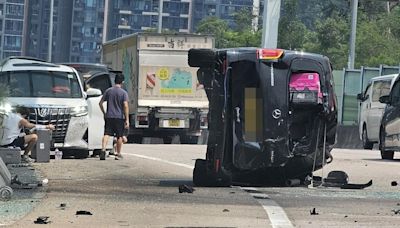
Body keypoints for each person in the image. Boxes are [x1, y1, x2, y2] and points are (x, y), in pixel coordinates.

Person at [99, 73, 129, 160]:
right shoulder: (123, 93)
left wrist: (104, 113)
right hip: (119, 117)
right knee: (119, 136)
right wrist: (127, 119)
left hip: (109, 116)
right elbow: (125, 105)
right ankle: (118, 154)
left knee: (107, 134)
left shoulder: (108, 91)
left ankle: (103, 150)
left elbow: (100, 103)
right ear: (122, 82)